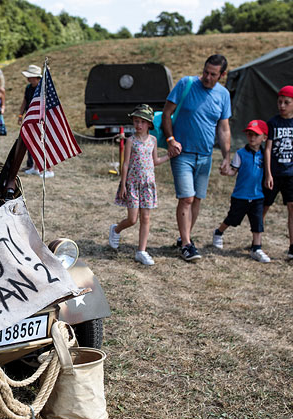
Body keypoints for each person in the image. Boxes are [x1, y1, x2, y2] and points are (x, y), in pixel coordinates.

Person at [161, 54, 232, 262]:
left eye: (213, 74)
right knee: (187, 198)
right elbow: (166, 114)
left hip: (206, 156)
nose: (207, 77)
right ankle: (186, 245)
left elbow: (224, 128)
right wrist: (171, 139)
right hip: (182, 153)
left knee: (197, 199)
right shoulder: (186, 84)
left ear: (222, 75)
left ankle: (185, 237)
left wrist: (227, 156)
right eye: (205, 72)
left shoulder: (223, 95)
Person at [108, 104, 168, 265]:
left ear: (149, 124)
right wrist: (123, 184)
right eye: (136, 121)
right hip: (133, 185)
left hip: (148, 185)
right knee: (133, 219)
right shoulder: (131, 141)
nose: (138, 125)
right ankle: (116, 229)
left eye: (142, 121)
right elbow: (126, 164)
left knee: (146, 217)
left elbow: (154, 161)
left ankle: (141, 251)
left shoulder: (153, 141)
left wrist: (169, 156)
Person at [213, 119, 270, 263]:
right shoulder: (240, 153)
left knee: (257, 222)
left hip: (257, 196)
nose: (252, 138)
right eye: (249, 134)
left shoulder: (265, 155)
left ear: (264, 138)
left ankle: (256, 248)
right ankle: (218, 232)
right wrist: (226, 172)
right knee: (233, 219)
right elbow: (233, 171)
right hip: (240, 196)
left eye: (256, 135)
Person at [263, 85, 293, 260]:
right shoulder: (273, 123)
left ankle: (292, 247)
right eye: (280, 102)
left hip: (291, 174)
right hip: (275, 172)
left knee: (292, 208)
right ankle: (256, 238)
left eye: (286, 102)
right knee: (265, 206)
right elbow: (268, 149)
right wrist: (268, 173)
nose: (282, 106)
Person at [18, 65, 51, 176]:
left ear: (36, 77)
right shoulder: (28, 88)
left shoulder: (43, 88)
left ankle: (47, 169)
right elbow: (25, 101)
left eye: (30, 76)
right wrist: (20, 115)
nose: (28, 79)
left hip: (41, 118)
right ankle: (35, 167)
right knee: (32, 142)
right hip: (31, 116)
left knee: (42, 142)